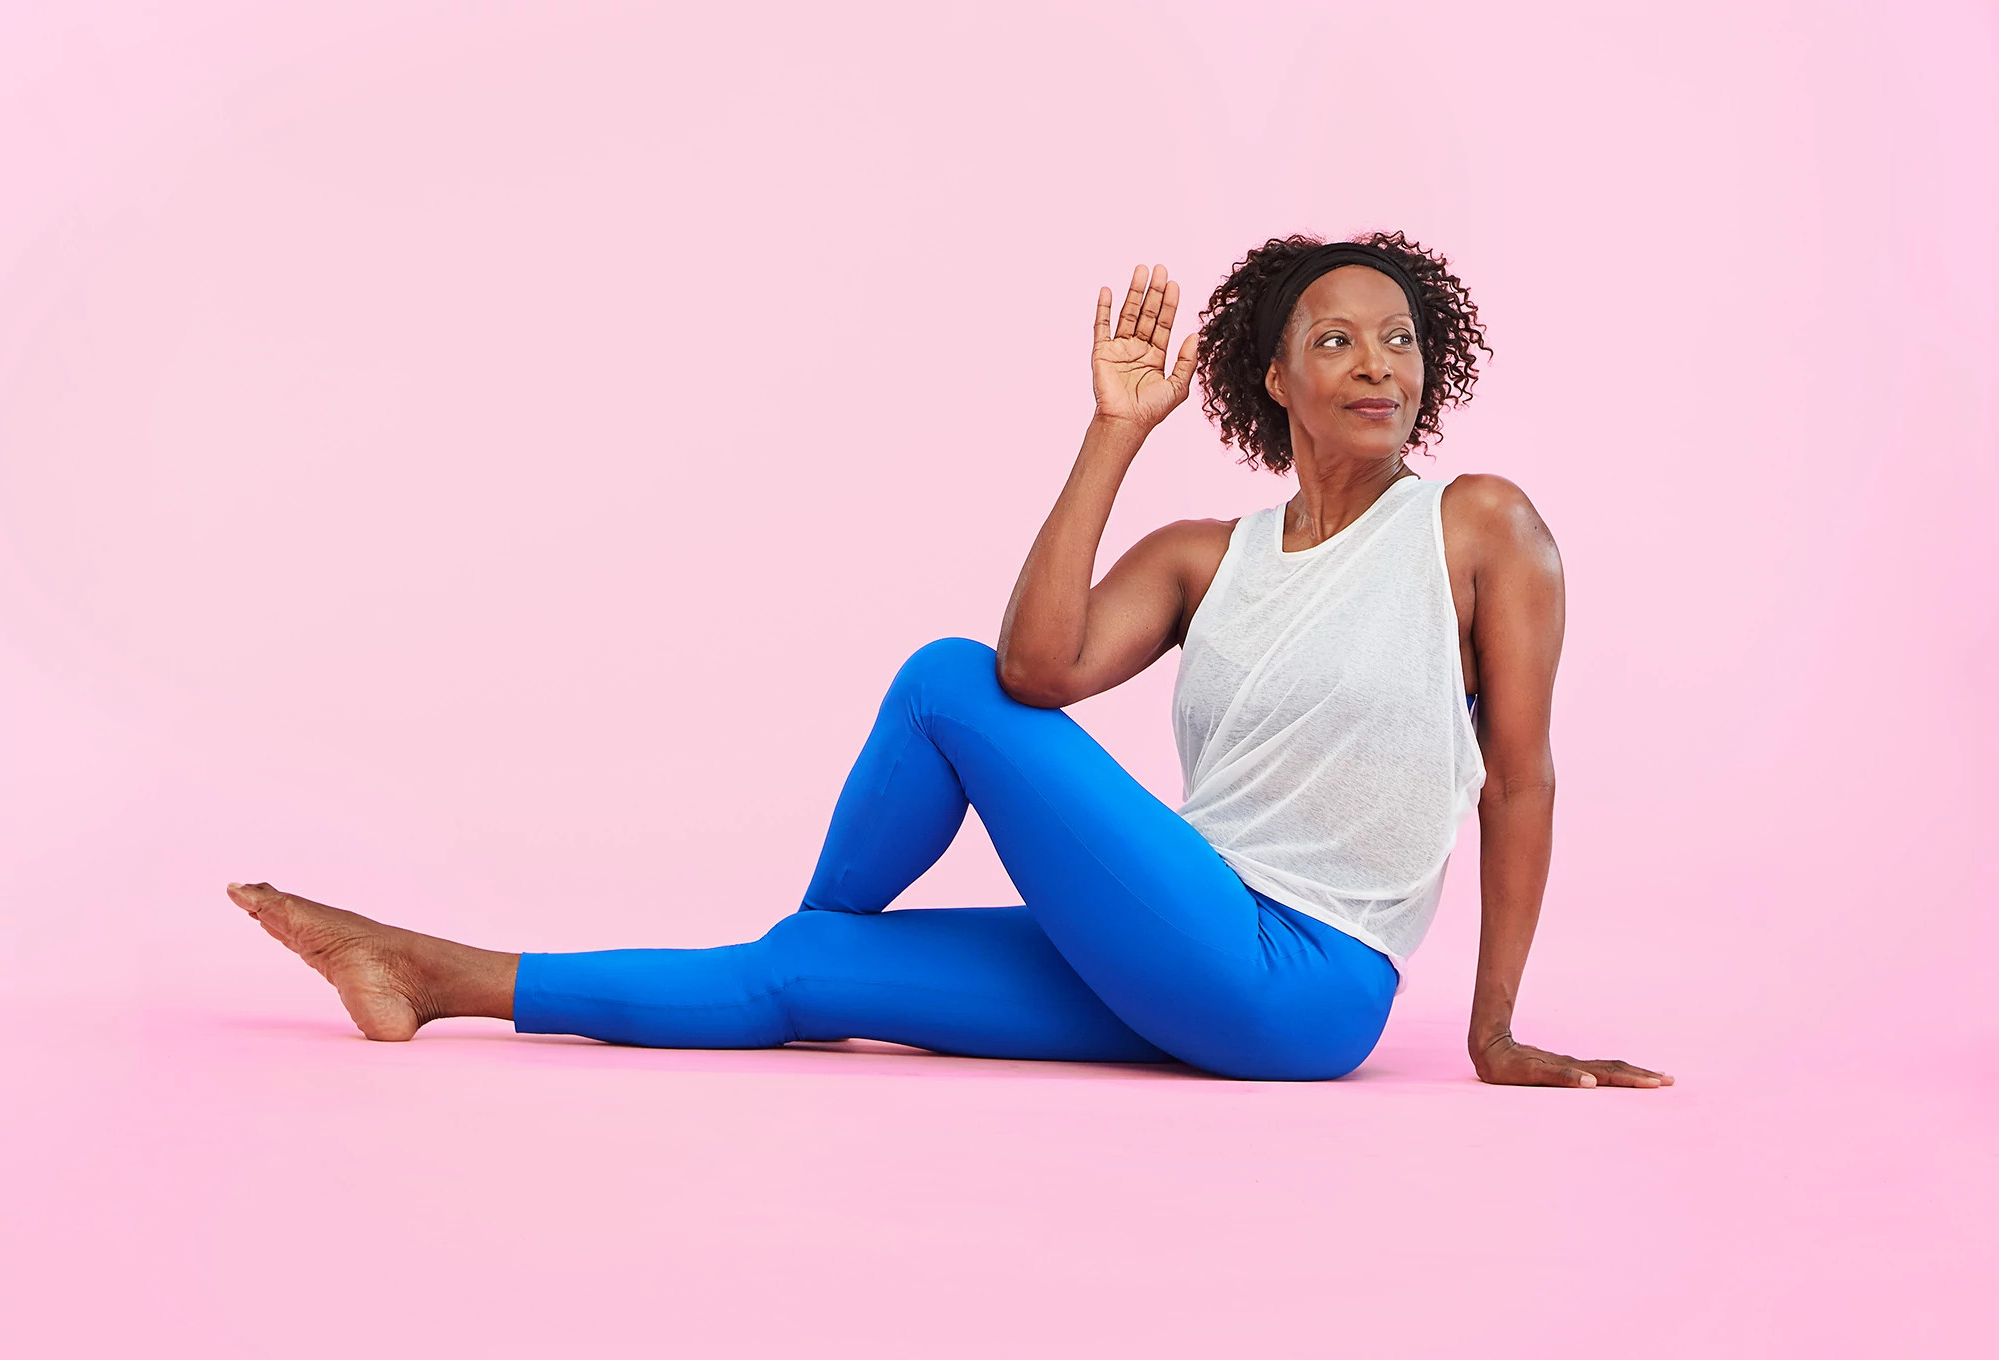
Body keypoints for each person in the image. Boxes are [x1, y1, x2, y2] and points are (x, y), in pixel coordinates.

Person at [229, 231, 1671, 1087]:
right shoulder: (1201, 560)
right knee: (803, 978)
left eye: (1400, 341)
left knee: (936, 679)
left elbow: (1521, 780)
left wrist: (1495, 1030)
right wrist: (1115, 434)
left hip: (1300, 983)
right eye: (1337, 339)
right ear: (1274, 382)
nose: (1379, 364)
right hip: (1175, 941)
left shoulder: (1478, 530)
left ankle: (818, 934)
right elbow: (1041, 668)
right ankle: (422, 971)